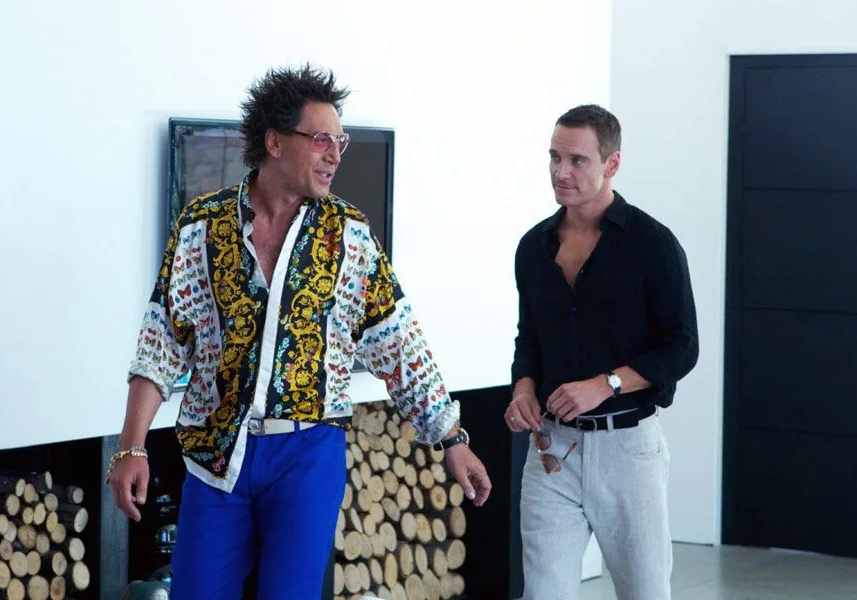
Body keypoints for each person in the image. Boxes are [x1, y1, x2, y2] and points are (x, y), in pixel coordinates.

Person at [107, 64, 491, 599]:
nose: (335, 155)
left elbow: (400, 344)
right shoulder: (201, 226)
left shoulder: (349, 237)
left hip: (308, 453)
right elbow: (161, 342)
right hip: (217, 454)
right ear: (274, 142)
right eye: (321, 140)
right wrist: (131, 447)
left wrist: (450, 437)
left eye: (340, 142)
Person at [506, 104, 698, 600]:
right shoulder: (532, 248)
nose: (560, 172)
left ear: (612, 163)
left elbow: (682, 347)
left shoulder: (654, 245)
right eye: (554, 157)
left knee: (645, 593)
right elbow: (530, 338)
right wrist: (523, 389)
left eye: (577, 160)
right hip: (551, 449)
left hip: (628, 451)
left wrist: (605, 384)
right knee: (542, 593)